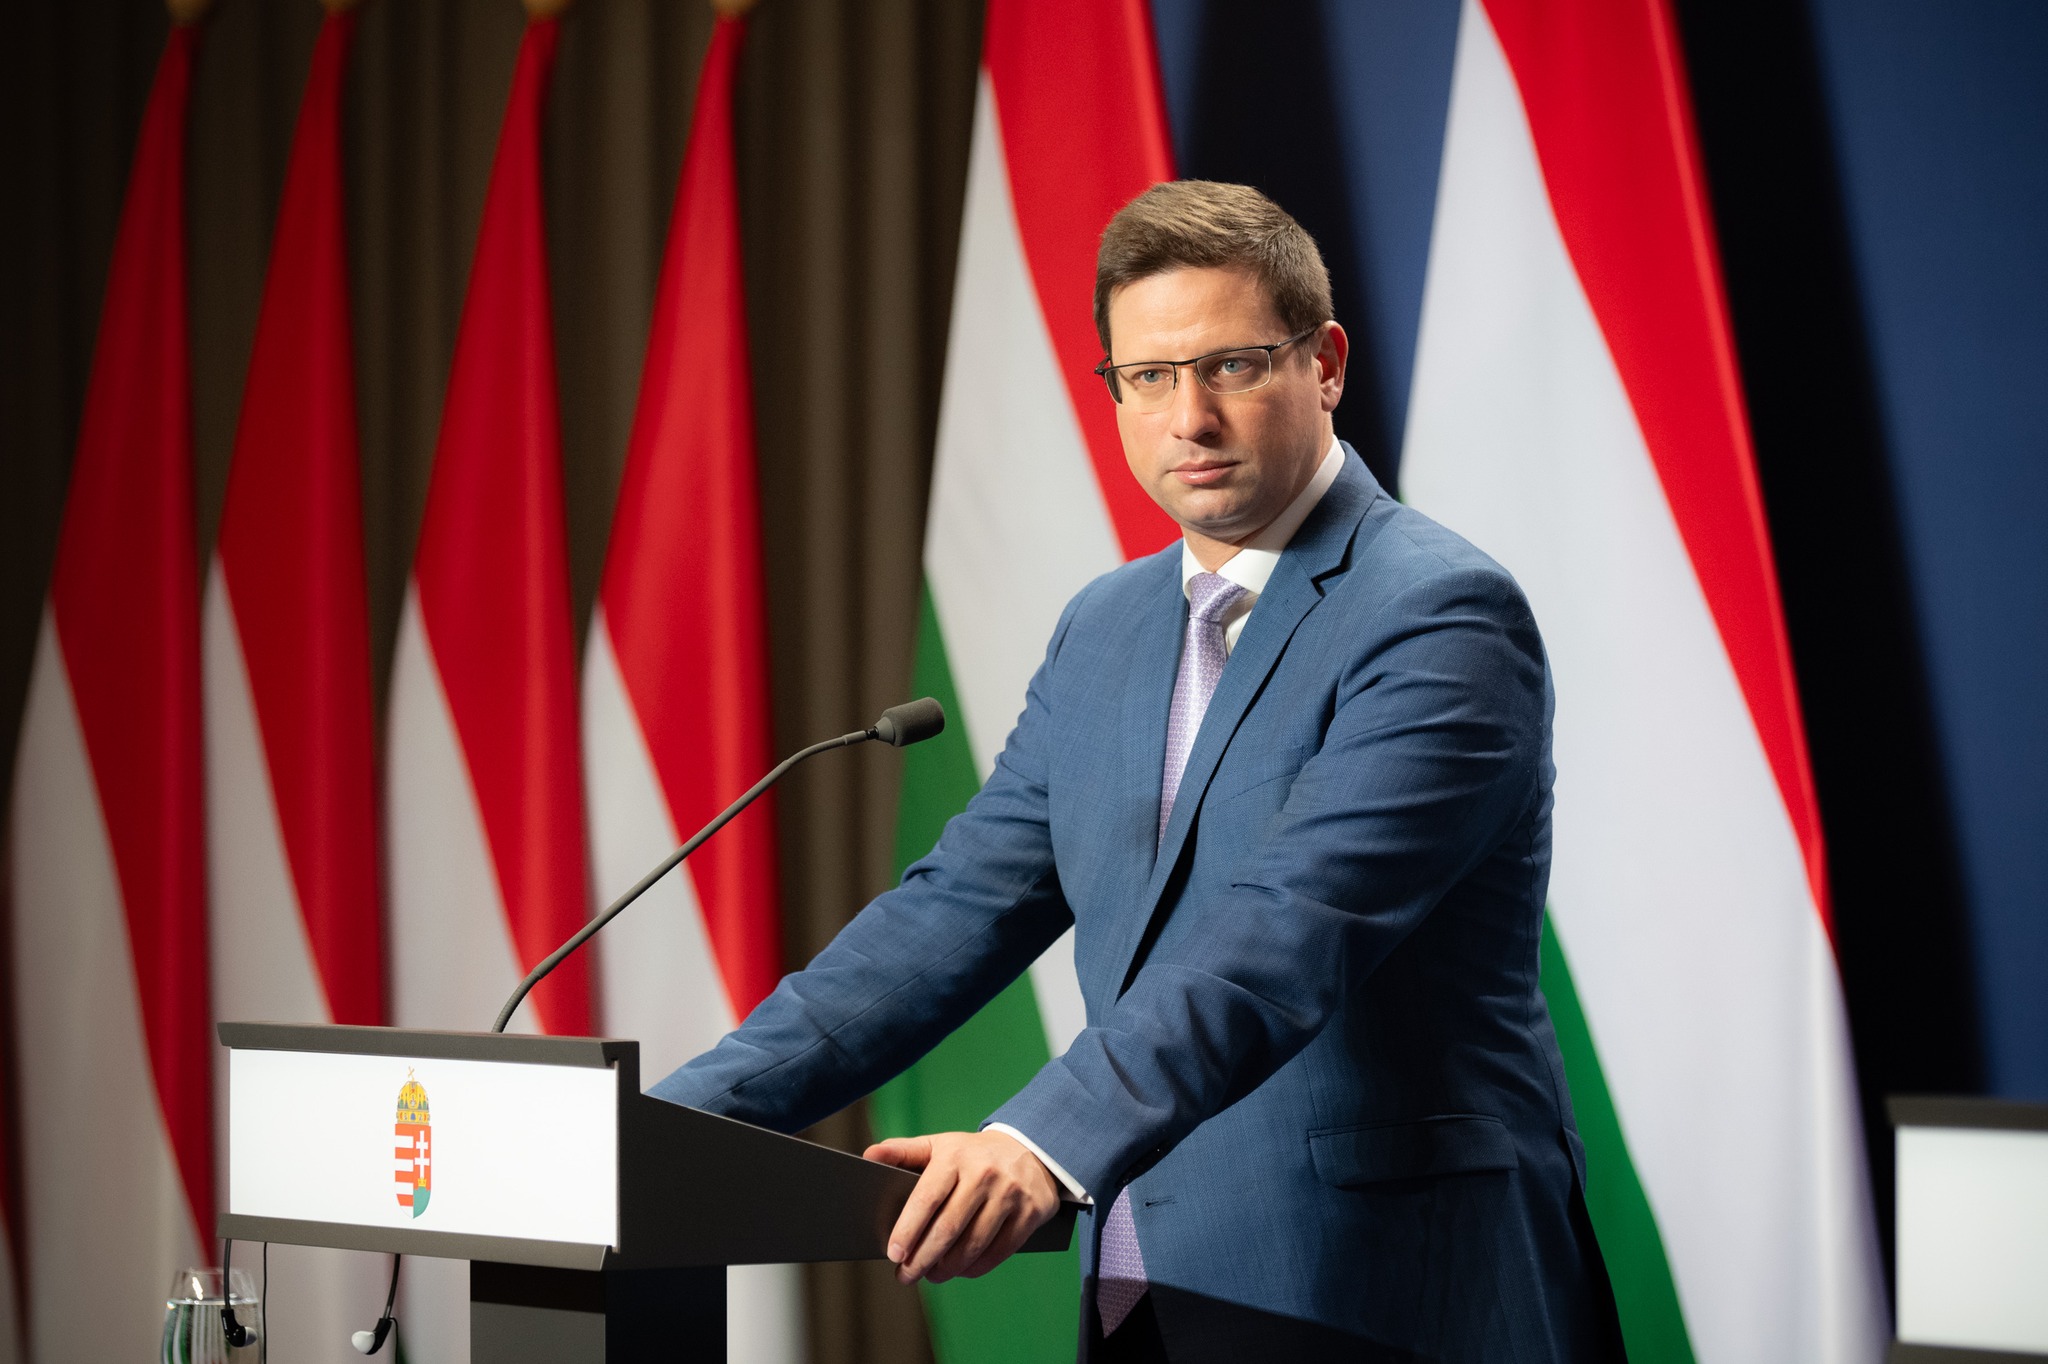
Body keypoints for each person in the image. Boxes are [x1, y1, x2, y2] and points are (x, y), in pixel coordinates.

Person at [652, 180, 1623, 1362]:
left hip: (1385, 1290)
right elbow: (952, 913)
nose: (1188, 418)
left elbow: (1284, 929)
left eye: (1231, 366)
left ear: (1323, 363)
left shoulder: (1436, 613)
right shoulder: (1104, 627)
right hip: (1139, 1289)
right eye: (1148, 376)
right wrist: (653, 1132)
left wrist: (1040, 1138)